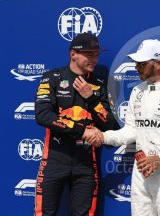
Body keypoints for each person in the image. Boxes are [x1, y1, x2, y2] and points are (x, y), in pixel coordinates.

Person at [88, 39, 160, 216]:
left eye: (141, 63)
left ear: (158, 63)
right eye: (136, 63)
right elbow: (131, 130)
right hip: (141, 171)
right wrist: (104, 137)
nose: (136, 67)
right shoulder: (138, 91)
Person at [34, 33, 118, 215]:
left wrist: (92, 99)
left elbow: (110, 125)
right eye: (89, 54)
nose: (94, 59)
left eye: (96, 54)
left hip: (87, 163)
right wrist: (81, 131)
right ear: (73, 54)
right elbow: (42, 115)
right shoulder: (52, 77)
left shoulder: (99, 84)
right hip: (54, 160)